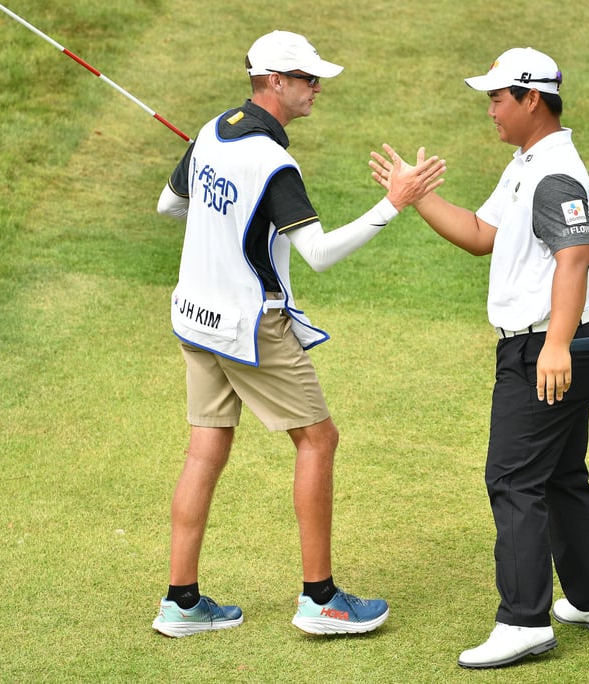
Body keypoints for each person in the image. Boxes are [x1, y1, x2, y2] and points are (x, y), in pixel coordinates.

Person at [151, 30, 445, 638]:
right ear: (274, 82)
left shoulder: (212, 131)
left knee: (205, 448)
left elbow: (169, 205)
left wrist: (226, 216)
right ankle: (321, 600)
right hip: (250, 328)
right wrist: (392, 203)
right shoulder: (273, 162)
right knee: (318, 439)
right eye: (308, 79)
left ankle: (180, 603)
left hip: (194, 317)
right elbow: (319, 253)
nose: (316, 88)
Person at [371, 47, 589, 668]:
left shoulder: (554, 175)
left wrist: (555, 345)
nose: (490, 110)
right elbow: (481, 236)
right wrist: (413, 198)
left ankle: (523, 622)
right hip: (562, 340)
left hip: (548, 345)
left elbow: (574, 259)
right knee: (559, 474)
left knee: (512, 480)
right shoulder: (526, 165)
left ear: (531, 98)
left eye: (497, 98)